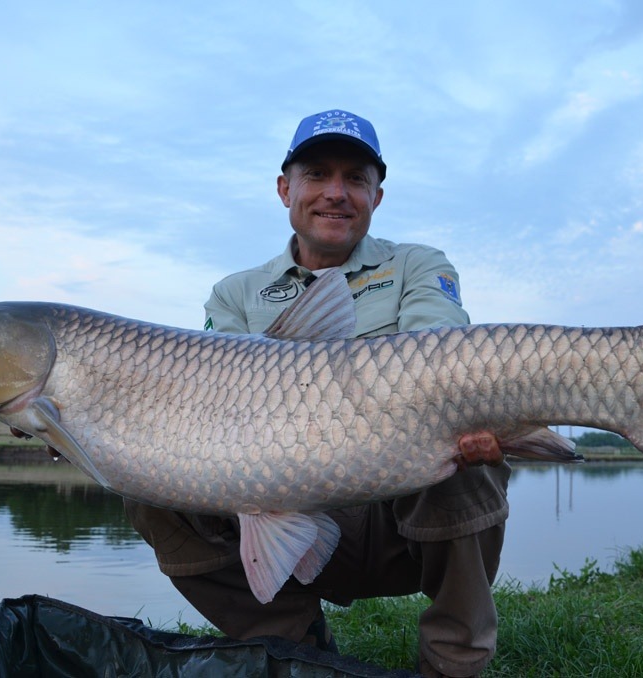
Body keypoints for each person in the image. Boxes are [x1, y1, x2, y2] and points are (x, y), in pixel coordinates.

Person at [124, 109, 511, 678]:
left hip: (397, 514)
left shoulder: (416, 266)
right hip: (281, 511)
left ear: (377, 195)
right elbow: (218, 403)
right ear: (286, 189)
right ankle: (295, 651)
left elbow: (439, 361)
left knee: (462, 453)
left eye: (356, 178)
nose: (336, 193)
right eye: (317, 175)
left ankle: (453, 663)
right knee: (148, 485)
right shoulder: (235, 293)